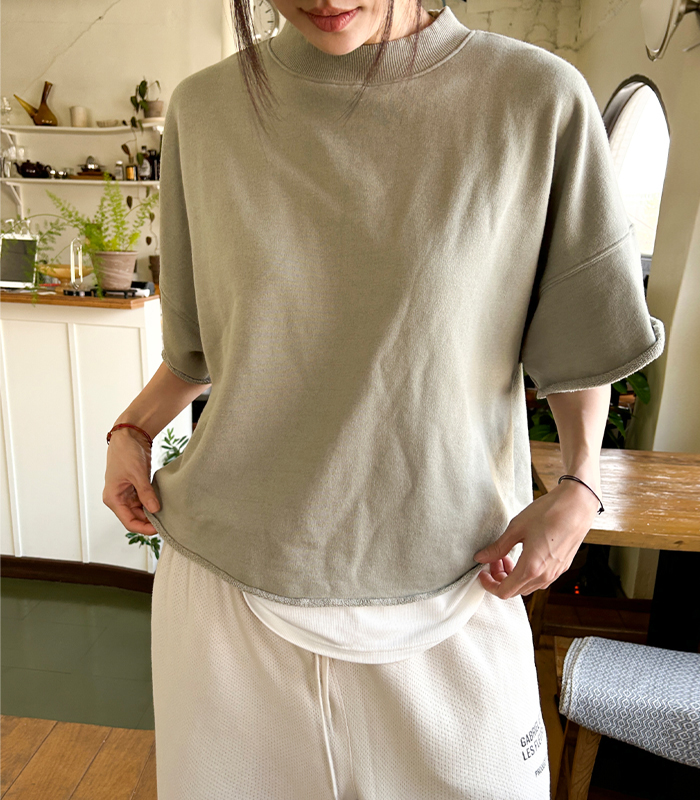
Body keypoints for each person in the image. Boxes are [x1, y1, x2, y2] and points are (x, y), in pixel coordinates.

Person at [103, 2, 665, 798]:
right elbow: (204, 353)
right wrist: (131, 432)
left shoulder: (535, 99)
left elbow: (583, 342)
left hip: (456, 581)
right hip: (227, 595)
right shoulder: (205, 112)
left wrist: (579, 486)